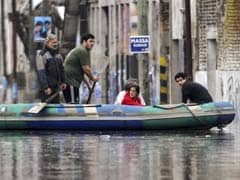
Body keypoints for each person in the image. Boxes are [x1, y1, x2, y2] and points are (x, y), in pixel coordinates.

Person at [63, 33, 99, 103]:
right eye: (90, 41)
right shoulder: (82, 51)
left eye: (93, 42)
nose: (92, 44)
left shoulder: (81, 50)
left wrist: (89, 85)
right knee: (73, 106)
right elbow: (86, 69)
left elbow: (82, 72)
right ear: (84, 42)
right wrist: (93, 78)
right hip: (70, 82)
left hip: (72, 83)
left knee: (75, 104)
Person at [36, 33, 66, 103]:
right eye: (53, 42)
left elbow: (62, 70)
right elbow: (41, 73)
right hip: (47, 90)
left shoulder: (58, 55)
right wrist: (46, 87)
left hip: (56, 89)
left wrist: (63, 82)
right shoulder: (42, 55)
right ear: (47, 43)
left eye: (56, 42)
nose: (55, 44)